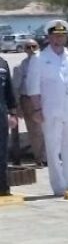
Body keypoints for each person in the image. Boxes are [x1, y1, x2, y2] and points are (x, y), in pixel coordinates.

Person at [24, 20, 68, 195]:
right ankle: (58, 184)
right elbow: (33, 87)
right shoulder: (40, 58)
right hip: (50, 108)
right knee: (53, 147)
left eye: (62, 35)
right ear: (49, 37)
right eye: (56, 35)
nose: (59, 38)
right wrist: (37, 110)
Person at [13, 40, 44, 166]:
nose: (31, 49)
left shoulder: (46, 63)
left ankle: (51, 157)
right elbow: (16, 88)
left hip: (47, 99)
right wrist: (18, 106)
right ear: (24, 50)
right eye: (28, 47)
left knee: (50, 129)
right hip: (28, 101)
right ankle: (39, 158)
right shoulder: (20, 67)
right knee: (35, 131)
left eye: (34, 46)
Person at [0, 54, 17, 196]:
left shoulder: (3, 63)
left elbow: (9, 91)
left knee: (2, 152)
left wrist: (13, 113)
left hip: (1, 113)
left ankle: (3, 187)